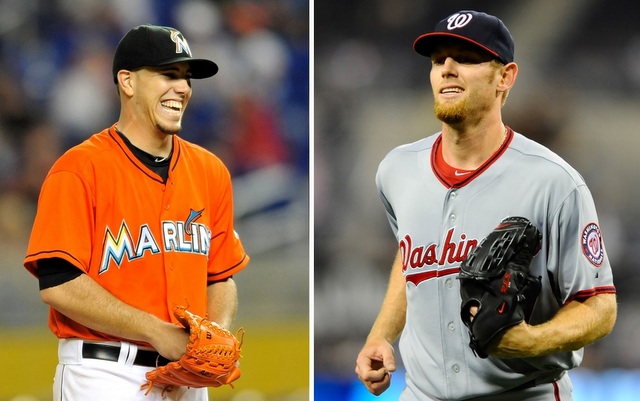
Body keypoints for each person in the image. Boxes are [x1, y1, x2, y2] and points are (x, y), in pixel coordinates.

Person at [355, 10, 617, 401]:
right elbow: (411, 258)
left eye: (466, 58)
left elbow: (599, 306)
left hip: (523, 393)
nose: (447, 68)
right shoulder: (396, 170)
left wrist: (532, 340)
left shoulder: (554, 181)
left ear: (505, 77)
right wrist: (380, 335)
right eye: (438, 59)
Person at [23, 24, 250, 401]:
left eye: (187, 78)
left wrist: (212, 336)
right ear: (127, 82)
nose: (183, 88)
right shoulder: (80, 168)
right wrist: (156, 332)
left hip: (186, 377)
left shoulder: (211, 171)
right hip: (103, 372)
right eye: (168, 74)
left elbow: (221, 276)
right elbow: (58, 282)